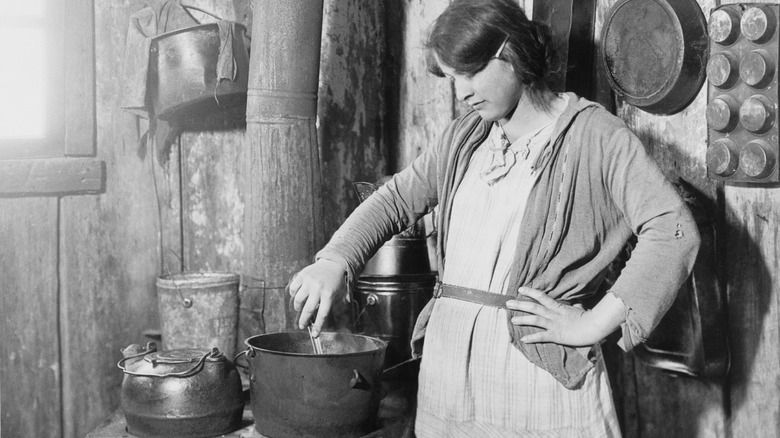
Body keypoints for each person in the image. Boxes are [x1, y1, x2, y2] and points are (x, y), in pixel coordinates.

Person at [287, 0, 700, 436]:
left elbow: (673, 231)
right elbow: (393, 201)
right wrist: (335, 260)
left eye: (470, 72)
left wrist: (591, 324)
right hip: (448, 370)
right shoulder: (466, 136)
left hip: (534, 372)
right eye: (451, 78)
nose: (461, 92)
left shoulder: (595, 136)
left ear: (510, 52)